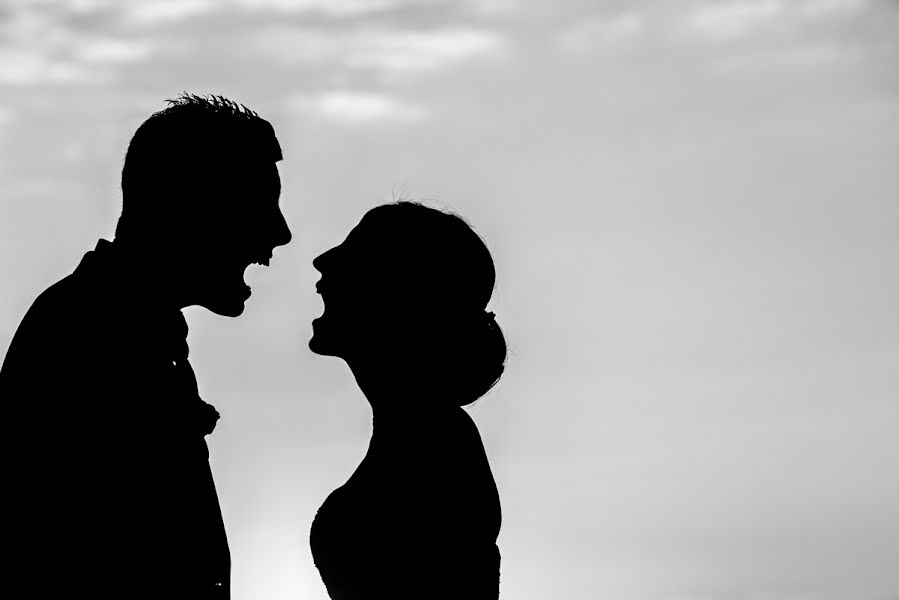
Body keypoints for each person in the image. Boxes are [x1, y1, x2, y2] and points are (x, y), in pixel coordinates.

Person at [0, 93, 291, 599]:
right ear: (192, 208)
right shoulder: (88, 338)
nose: (280, 233)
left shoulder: (123, 327)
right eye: (257, 206)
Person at [308, 201, 506, 599]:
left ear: (396, 294)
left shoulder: (436, 443)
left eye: (354, 251)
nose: (322, 261)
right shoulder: (429, 431)